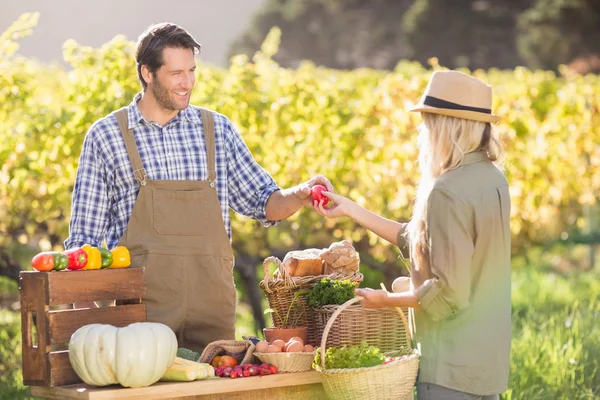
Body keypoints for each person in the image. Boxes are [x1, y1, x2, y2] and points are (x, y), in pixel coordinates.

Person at [64, 22, 332, 353]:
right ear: (147, 73)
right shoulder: (107, 136)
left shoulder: (216, 129)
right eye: (176, 73)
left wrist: (302, 194)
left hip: (212, 311)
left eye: (191, 71)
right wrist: (88, 330)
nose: (187, 82)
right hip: (140, 317)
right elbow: (84, 241)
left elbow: (264, 201)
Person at [314, 70, 511, 399]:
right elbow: (421, 240)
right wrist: (350, 208)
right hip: (485, 360)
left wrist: (387, 300)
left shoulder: (447, 190)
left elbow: (450, 295)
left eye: (428, 121)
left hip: (449, 363)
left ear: (447, 126)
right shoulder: (491, 179)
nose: (424, 131)